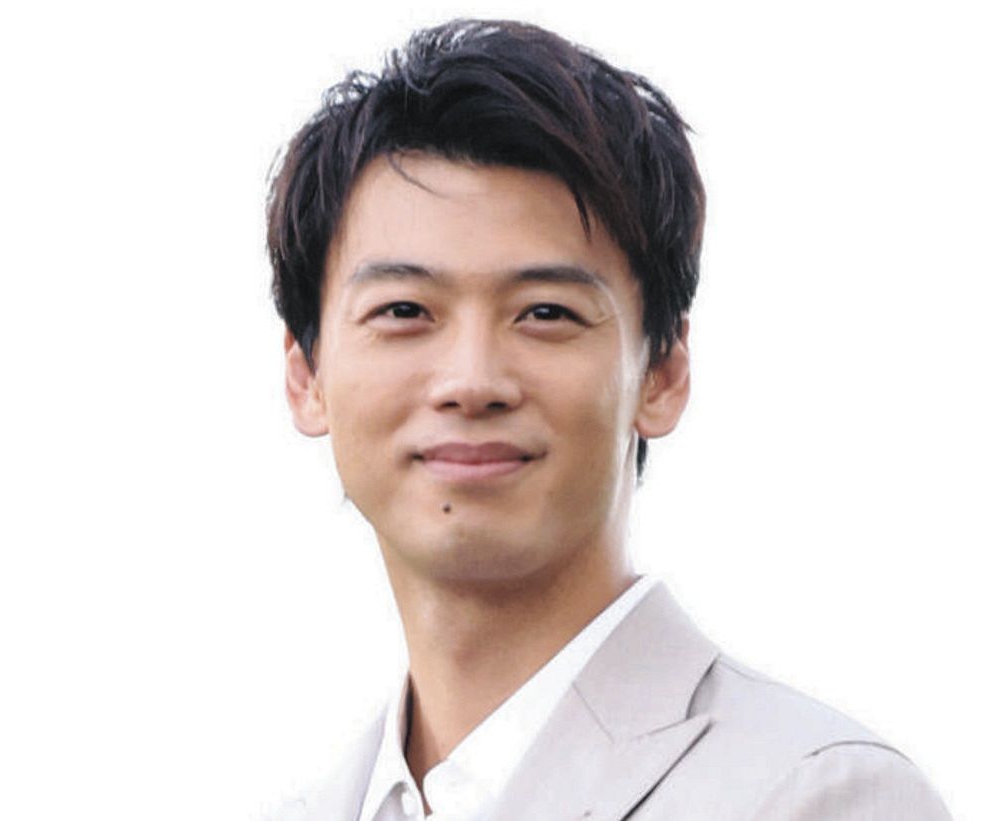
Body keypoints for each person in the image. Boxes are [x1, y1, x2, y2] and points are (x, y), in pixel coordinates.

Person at [265, 18, 951, 820]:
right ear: (306, 374)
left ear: (661, 371)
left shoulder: (816, 795)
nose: (471, 381)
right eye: (404, 310)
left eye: (545, 312)